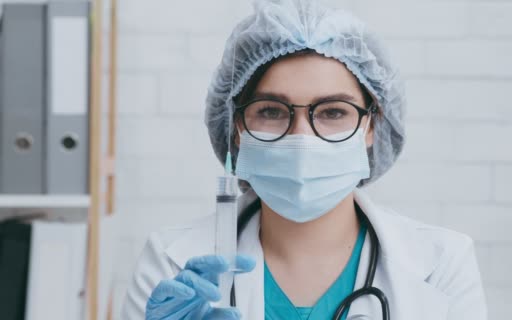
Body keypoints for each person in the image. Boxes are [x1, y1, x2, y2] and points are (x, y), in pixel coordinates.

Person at [121, 0, 488, 319]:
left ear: (372, 125)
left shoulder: (441, 264)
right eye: (271, 111)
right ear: (236, 128)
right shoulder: (174, 270)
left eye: (332, 112)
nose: (301, 138)